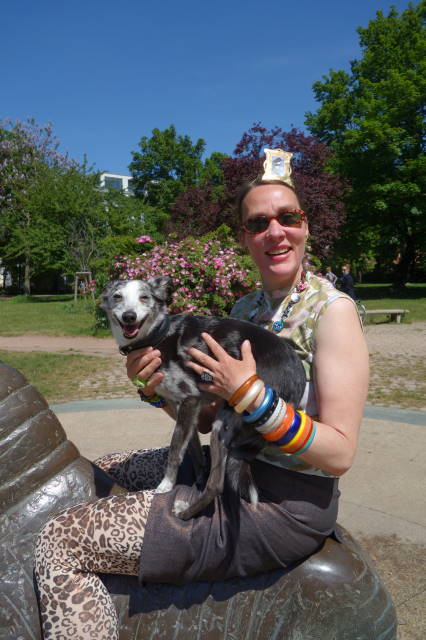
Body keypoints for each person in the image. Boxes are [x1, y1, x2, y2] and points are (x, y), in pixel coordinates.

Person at [34, 151, 369, 639]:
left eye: (288, 217)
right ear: (244, 238)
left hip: (283, 503)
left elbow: (339, 453)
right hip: (226, 466)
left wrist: (251, 395)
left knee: (61, 541)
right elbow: (209, 417)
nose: (275, 231)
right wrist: (155, 389)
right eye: (258, 223)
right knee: (100, 470)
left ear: (306, 226)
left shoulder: (332, 311)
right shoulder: (247, 308)